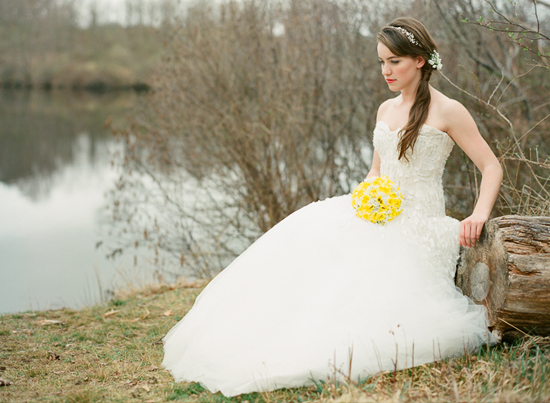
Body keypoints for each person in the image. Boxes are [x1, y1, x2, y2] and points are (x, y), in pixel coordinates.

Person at [161, 17, 503, 397]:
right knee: (315, 233)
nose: (386, 71)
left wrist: (478, 214)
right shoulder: (384, 110)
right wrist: (366, 199)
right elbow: (376, 171)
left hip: (421, 225)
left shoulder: (449, 110)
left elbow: (491, 166)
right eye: (381, 62)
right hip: (379, 212)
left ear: (420, 60)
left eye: (395, 62)